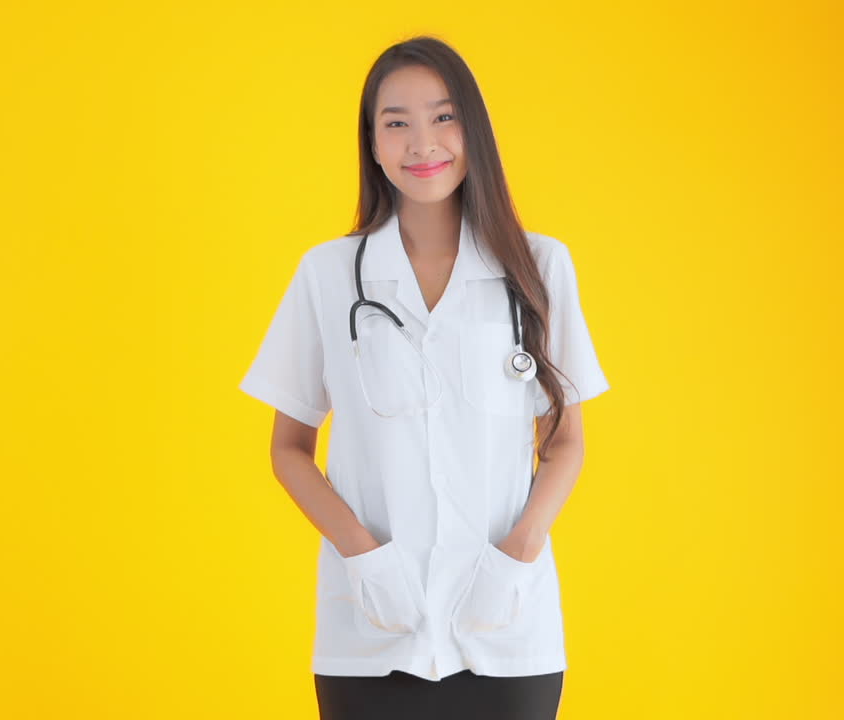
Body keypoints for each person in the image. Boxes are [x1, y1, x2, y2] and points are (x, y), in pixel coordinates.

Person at [238, 35, 611, 719]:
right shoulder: (327, 274)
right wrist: (364, 559)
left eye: (443, 117)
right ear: (372, 144)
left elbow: (566, 442)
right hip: (373, 629)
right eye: (396, 123)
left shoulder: (538, 267)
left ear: (473, 130)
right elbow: (289, 448)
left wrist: (518, 555)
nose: (422, 143)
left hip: (506, 626)